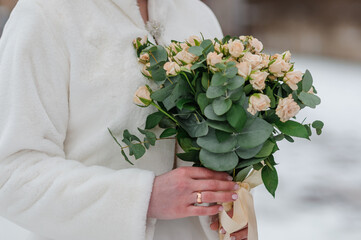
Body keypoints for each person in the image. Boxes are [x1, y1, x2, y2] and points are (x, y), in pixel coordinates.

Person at [0, 0, 248, 239]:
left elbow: (227, 137)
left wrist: (237, 212)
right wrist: (143, 198)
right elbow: (12, 174)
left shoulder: (196, 14)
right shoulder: (45, 13)